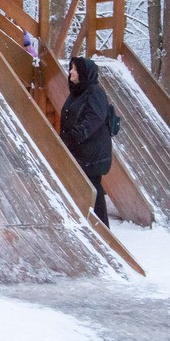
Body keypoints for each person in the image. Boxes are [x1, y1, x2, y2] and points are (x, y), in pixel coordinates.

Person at [59, 56, 113, 228]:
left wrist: (77, 134)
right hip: (79, 150)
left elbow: (95, 117)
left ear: (84, 73)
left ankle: (102, 228)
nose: (71, 72)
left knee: (92, 189)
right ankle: (90, 226)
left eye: (74, 69)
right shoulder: (78, 93)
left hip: (91, 153)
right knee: (85, 188)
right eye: (71, 68)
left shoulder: (94, 92)